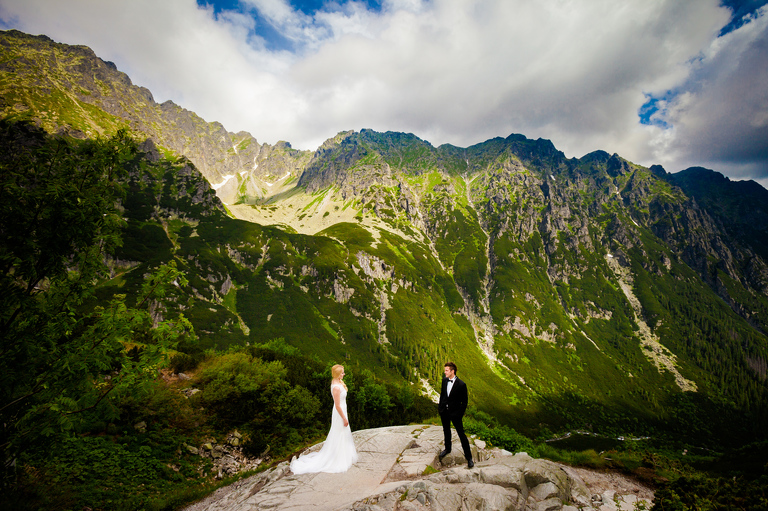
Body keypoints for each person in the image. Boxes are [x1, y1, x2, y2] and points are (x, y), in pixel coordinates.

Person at [290, 364, 358, 474]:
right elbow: (337, 406)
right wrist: (344, 418)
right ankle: (338, 458)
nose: (344, 374)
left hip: (342, 411)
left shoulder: (336, 382)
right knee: (339, 432)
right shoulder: (336, 387)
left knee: (342, 433)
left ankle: (342, 454)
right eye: (342, 372)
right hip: (339, 413)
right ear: (337, 374)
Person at [438, 361, 473, 468]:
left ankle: (469, 458)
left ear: (452, 371)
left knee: (461, 434)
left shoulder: (462, 384)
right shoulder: (444, 381)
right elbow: (443, 395)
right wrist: (440, 408)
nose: (445, 372)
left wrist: (459, 414)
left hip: (455, 413)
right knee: (446, 430)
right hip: (445, 411)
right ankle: (447, 448)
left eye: (446, 370)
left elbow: (465, 402)